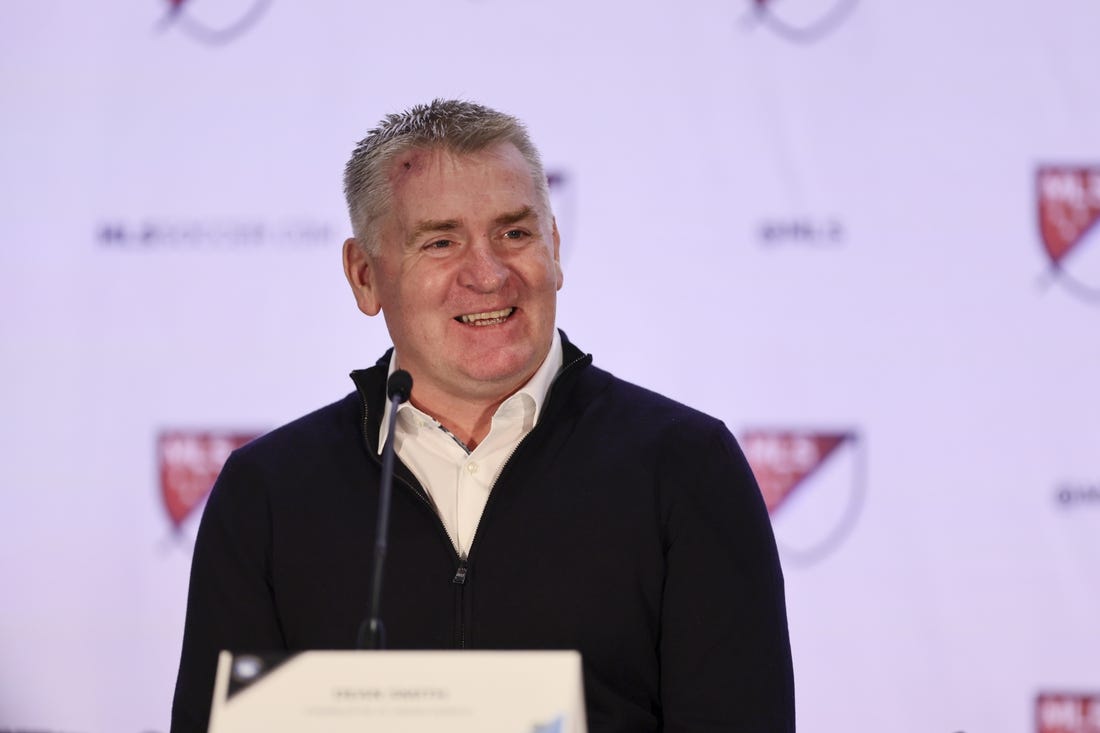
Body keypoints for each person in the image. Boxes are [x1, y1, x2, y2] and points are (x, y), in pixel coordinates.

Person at [171, 99, 795, 732]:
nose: (490, 275)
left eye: (515, 234)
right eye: (441, 242)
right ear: (365, 276)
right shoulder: (267, 493)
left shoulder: (685, 465)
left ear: (553, 248)